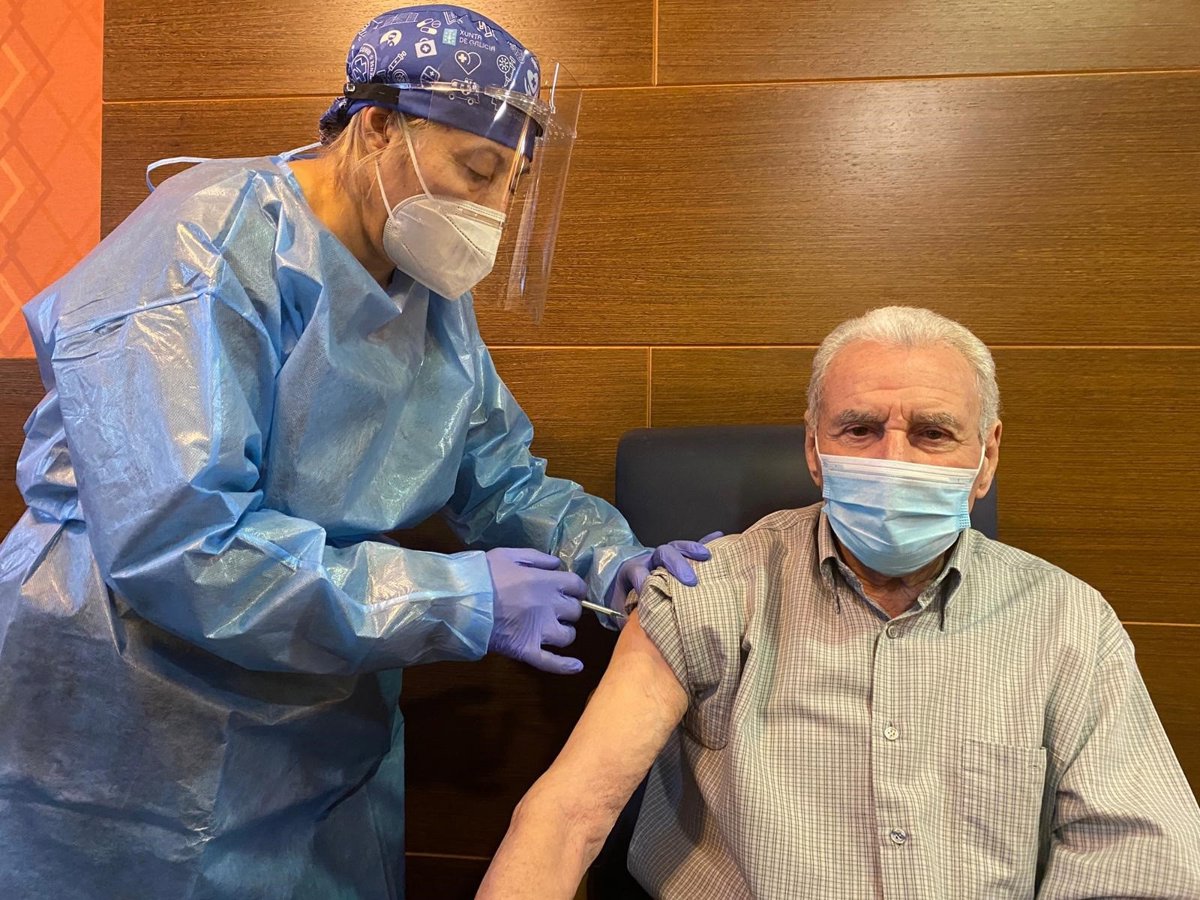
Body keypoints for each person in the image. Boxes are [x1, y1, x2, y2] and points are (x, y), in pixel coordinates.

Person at [0, 6, 713, 898]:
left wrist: (611, 557)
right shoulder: (202, 249)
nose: (491, 210)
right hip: (136, 699)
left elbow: (495, 471)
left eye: (512, 182)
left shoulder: (420, 283)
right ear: (377, 125)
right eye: (477, 169)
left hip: (317, 703)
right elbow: (181, 545)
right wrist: (459, 598)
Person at [477, 306, 1200, 900]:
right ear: (814, 449)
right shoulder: (707, 593)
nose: (893, 461)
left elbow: (1142, 859)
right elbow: (567, 817)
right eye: (860, 429)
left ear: (987, 456)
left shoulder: (1068, 623)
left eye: (933, 433)